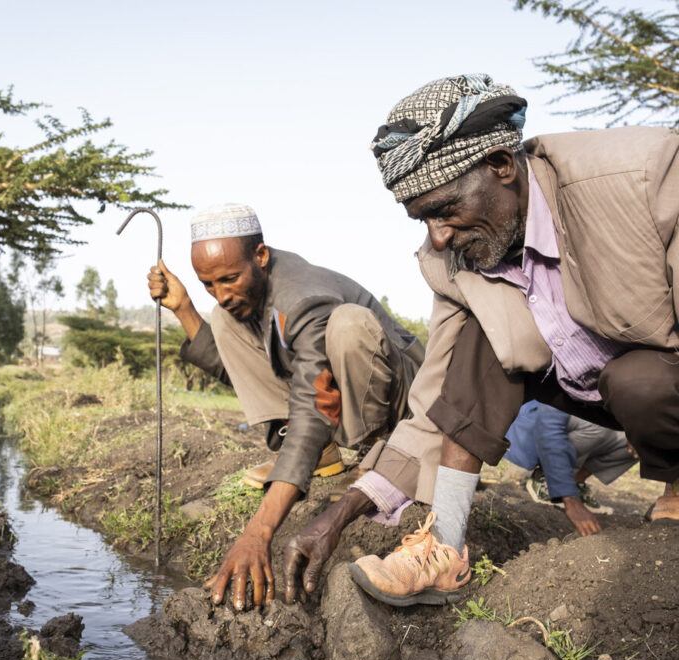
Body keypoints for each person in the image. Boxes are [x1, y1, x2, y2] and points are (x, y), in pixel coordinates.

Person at [282, 73, 679, 609]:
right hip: (585, 392)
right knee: (481, 338)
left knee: (641, 380)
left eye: (445, 209)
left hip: (659, 384)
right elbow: (438, 399)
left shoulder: (643, 176)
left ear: (501, 165)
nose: (439, 235)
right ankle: (444, 546)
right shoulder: (451, 259)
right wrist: (343, 509)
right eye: (423, 219)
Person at [147, 203, 425, 610]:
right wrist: (184, 307)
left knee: (347, 324)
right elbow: (243, 373)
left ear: (260, 256)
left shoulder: (302, 298)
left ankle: (378, 456)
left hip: (406, 401)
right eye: (209, 283)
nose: (221, 293)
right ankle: (325, 456)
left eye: (229, 278)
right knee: (222, 320)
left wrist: (259, 532)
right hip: (333, 397)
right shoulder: (249, 297)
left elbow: (313, 405)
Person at [503, 401, 637, 536]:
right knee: (598, 426)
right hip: (537, 427)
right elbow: (550, 428)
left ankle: (574, 482)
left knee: (639, 436)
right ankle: (545, 479)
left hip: (572, 422)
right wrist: (571, 500)